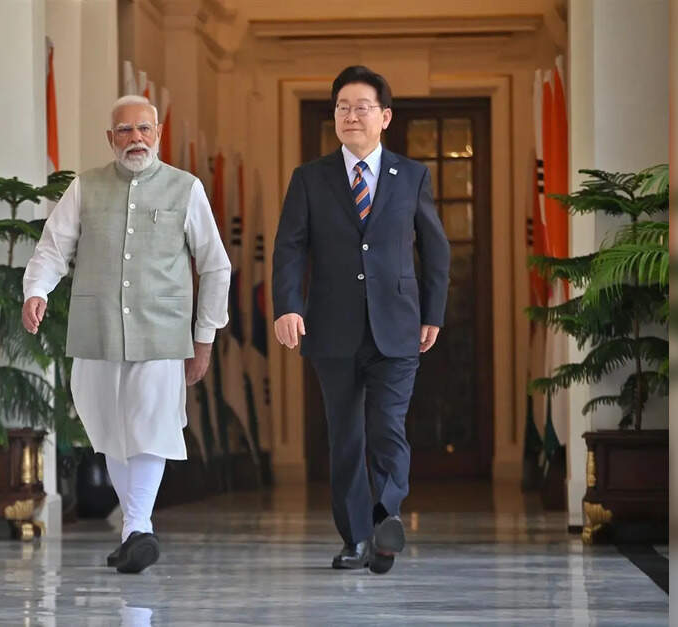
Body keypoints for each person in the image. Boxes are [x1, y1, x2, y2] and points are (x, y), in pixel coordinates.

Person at [22, 95, 231, 574]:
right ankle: (134, 532)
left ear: (158, 133)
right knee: (109, 429)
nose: (135, 138)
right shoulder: (86, 186)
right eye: (125, 130)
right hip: (97, 328)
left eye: (144, 129)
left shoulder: (186, 188)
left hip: (162, 330)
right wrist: (36, 290)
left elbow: (216, 266)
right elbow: (53, 247)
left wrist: (204, 337)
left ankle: (138, 527)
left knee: (150, 427)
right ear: (110, 138)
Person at [272, 66, 450, 574]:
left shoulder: (412, 176)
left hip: (398, 325)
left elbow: (435, 249)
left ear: (385, 117)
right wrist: (288, 306)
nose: (351, 116)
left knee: (387, 427)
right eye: (343, 107)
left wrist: (433, 312)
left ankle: (384, 517)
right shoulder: (310, 178)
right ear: (334, 117)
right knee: (346, 437)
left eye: (362, 107)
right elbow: (289, 248)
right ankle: (355, 539)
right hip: (332, 328)